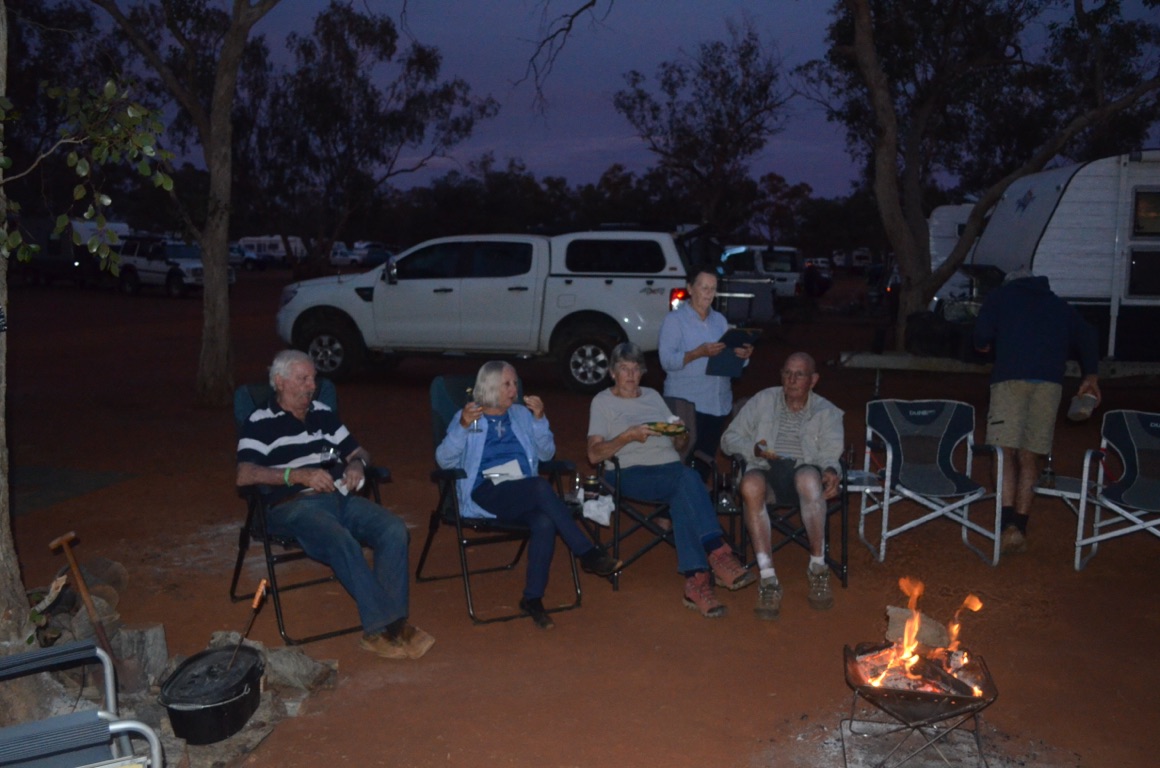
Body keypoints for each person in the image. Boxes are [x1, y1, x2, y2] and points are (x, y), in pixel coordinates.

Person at [236, 350, 434, 660]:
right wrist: (297, 475)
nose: (311, 386)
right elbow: (245, 474)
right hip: (292, 505)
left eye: (313, 379)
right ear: (280, 381)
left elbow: (360, 452)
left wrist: (356, 465)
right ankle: (389, 627)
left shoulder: (322, 413)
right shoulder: (260, 421)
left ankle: (386, 628)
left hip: (338, 497)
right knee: (340, 540)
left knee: (393, 529)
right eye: (303, 379)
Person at [435, 361, 621, 630]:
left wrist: (540, 420)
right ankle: (587, 553)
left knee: (543, 522)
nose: (515, 390)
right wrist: (462, 427)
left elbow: (546, 454)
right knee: (539, 487)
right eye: (507, 384)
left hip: (520, 488)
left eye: (515, 383)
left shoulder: (521, 415)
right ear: (490, 387)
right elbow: (444, 460)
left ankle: (532, 599)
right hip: (485, 488)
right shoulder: (470, 417)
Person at [586, 342, 755, 618]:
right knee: (688, 479)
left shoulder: (653, 396)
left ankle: (696, 582)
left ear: (642, 372)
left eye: (635, 369)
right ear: (612, 373)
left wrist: (680, 433)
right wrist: (627, 436)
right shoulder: (602, 402)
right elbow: (594, 454)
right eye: (624, 369)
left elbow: (678, 444)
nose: (630, 375)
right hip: (628, 473)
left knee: (682, 492)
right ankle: (717, 551)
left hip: (669, 471)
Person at [973, 270, 1101, 555]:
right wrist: (1091, 375)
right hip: (1049, 385)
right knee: (1029, 455)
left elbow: (981, 337)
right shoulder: (1059, 305)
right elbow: (1088, 334)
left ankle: (1006, 524)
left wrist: (984, 344)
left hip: (1010, 380)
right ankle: (1019, 526)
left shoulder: (1000, 297)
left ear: (1010, 282)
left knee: (1003, 451)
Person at [720, 351, 844, 620]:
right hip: (766, 470)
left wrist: (832, 471)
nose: (792, 379)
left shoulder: (827, 412)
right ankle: (768, 579)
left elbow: (830, 454)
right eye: (787, 373)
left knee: (808, 478)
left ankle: (818, 568)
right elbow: (729, 438)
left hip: (803, 474)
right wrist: (753, 450)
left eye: (799, 374)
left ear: (813, 380)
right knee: (750, 485)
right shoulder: (763, 400)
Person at [658, 268, 754, 478]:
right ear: (690, 289)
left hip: (717, 403)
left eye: (713, 288)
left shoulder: (720, 320)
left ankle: (697, 496)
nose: (709, 293)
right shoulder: (675, 320)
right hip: (687, 405)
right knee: (682, 462)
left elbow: (730, 359)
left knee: (704, 463)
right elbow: (667, 361)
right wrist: (697, 353)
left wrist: (743, 355)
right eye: (704, 288)